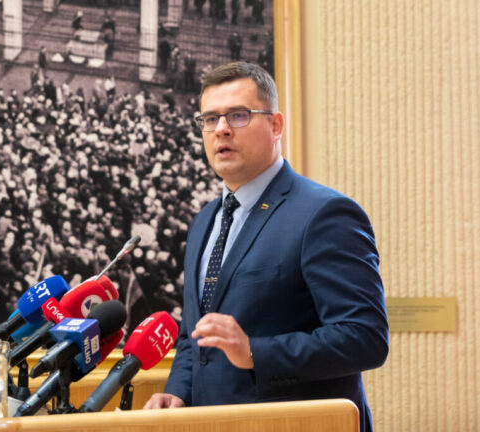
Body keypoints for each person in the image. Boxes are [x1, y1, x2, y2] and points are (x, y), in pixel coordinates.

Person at [143, 62, 389, 432]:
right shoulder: (204, 221)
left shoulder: (324, 214)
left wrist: (255, 352)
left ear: (276, 126)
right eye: (210, 119)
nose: (221, 128)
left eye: (238, 115)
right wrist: (179, 391)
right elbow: (196, 336)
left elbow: (365, 338)